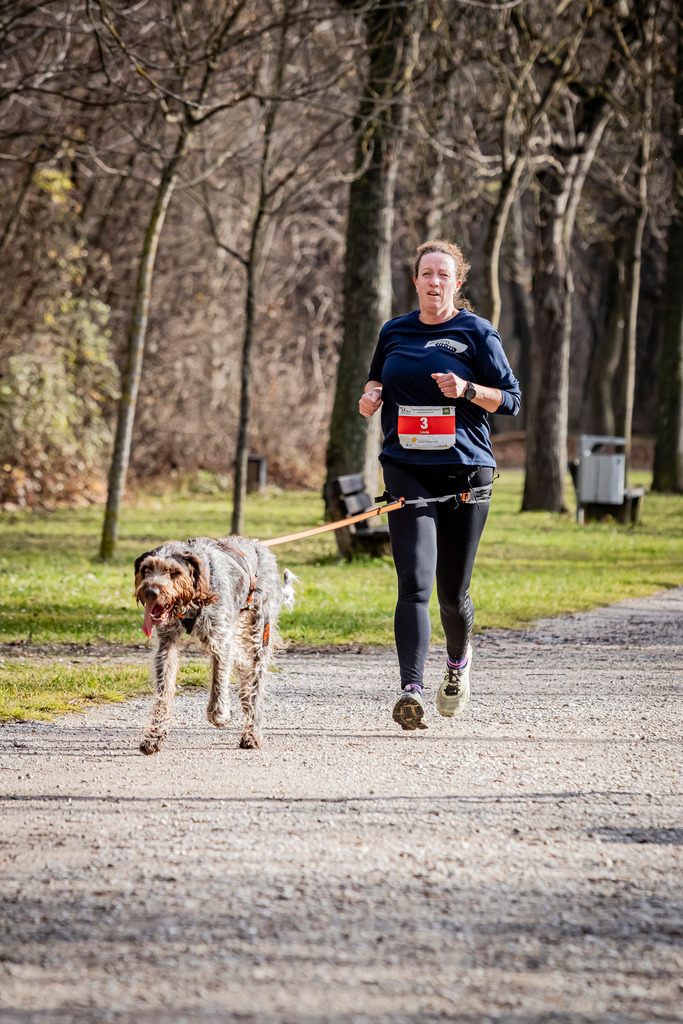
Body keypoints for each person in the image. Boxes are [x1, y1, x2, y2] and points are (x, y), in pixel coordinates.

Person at [359, 239, 521, 731]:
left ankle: (456, 664)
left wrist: (467, 389)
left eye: (442, 275)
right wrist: (370, 397)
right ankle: (410, 690)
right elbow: (376, 384)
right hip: (406, 468)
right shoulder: (394, 331)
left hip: (466, 472)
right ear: (415, 280)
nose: (433, 282)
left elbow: (511, 400)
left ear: (457, 282)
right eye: (426, 274)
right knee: (414, 583)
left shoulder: (477, 333)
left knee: (452, 593)